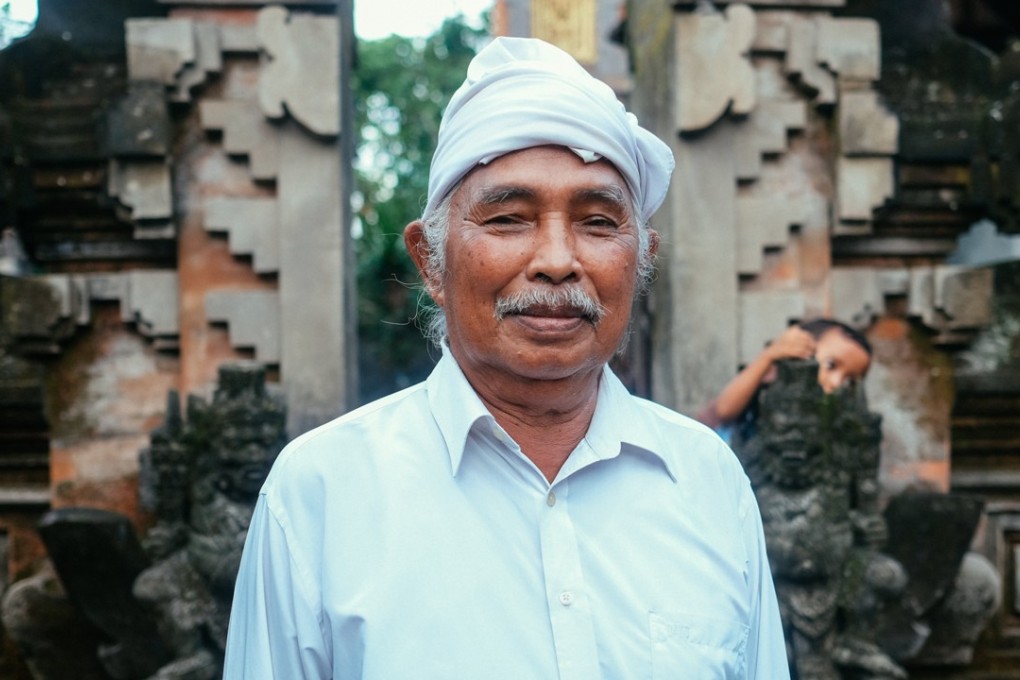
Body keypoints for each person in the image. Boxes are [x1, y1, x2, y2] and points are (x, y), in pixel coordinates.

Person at [223, 37, 790, 679]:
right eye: (509, 219)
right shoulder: (319, 492)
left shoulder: (708, 481)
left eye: (599, 222)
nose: (556, 260)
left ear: (641, 259)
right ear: (430, 261)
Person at [696, 318, 873, 442]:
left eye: (849, 381)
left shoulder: (835, 418)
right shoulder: (771, 382)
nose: (836, 383)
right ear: (799, 353)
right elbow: (723, 410)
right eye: (831, 365)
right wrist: (769, 355)